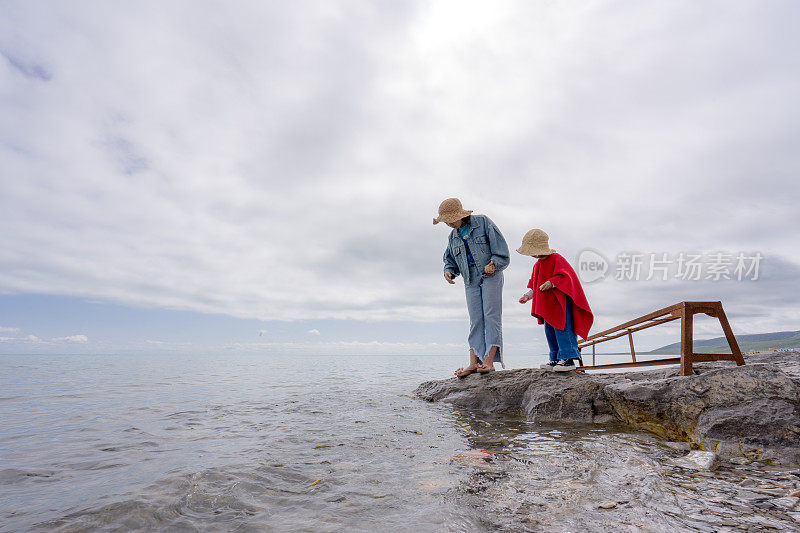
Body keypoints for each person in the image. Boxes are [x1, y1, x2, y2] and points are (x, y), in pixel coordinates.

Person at [434, 198, 510, 377]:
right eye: (446, 221)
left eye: (451, 219)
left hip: (490, 274)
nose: (449, 223)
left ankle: (489, 362)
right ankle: (474, 363)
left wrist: (494, 263)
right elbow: (449, 260)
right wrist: (449, 271)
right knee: (475, 319)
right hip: (470, 279)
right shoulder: (453, 236)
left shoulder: (483, 222)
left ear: (461, 215)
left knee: (491, 315)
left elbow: (501, 250)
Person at [517, 229, 593, 372]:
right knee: (550, 332)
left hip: (560, 306)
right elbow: (535, 284)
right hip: (547, 308)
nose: (532, 254)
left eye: (533, 250)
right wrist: (527, 296)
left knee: (563, 329)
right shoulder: (537, 265)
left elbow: (567, 277)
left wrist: (552, 282)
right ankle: (556, 358)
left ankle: (568, 359)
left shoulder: (557, 259)